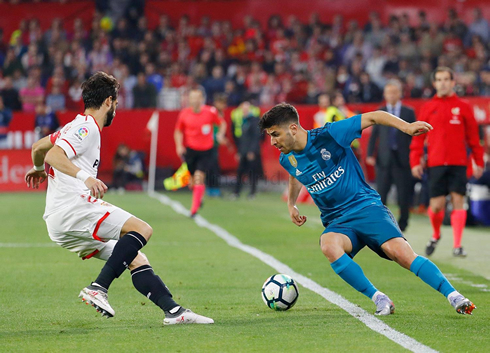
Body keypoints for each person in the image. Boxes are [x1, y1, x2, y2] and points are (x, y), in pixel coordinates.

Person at [24, 72, 213, 325]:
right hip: (73, 208)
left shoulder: (72, 126)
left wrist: (37, 169)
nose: (117, 109)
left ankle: (174, 312)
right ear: (108, 102)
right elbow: (52, 156)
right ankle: (98, 287)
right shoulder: (86, 127)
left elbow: (38, 148)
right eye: (116, 103)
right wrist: (85, 177)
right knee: (142, 230)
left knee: (135, 257)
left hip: (58, 224)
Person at [259, 102, 476, 316]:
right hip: (338, 222)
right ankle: (379, 298)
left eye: (275, 134)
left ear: (293, 128)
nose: (272, 141)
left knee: (400, 254)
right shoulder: (286, 158)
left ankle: (454, 296)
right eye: (270, 135)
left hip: (365, 207)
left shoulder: (331, 134)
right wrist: (291, 203)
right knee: (328, 244)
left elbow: (373, 116)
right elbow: (296, 174)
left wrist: (406, 127)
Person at [410, 67, 484, 257]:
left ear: (452, 82)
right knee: (435, 206)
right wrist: (415, 161)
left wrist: (478, 161)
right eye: (439, 80)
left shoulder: (464, 106)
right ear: (434, 84)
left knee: (458, 201)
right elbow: (418, 138)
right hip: (435, 163)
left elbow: (473, 138)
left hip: (458, 163)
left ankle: (457, 246)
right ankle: (436, 234)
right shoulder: (428, 107)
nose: (443, 83)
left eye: (446, 79)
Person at [367, 80, 415, 232]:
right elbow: (374, 135)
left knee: (403, 194)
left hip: (403, 159)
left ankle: (403, 223)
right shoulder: (379, 112)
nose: (392, 95)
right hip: (384, 158)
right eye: (389, 92)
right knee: (381, 193)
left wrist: (415, 155)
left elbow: (414, 137)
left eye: (395, 92)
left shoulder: (409, 112)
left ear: (400, 93)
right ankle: (381, 222)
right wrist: (370, 153)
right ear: (385, 94)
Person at [174, 88, 226, 217]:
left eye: (197, 97)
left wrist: (220, 134)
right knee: (192, 181)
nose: (195, 100)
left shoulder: (210, 112)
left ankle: (193, 210)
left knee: (198, 177)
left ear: (202, 99)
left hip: (206, 151)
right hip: (191, 151)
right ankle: (199, 197)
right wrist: (179, 145)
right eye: (192, 98)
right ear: (189, 99)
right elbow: (178, 131)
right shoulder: (184, 114)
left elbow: (222, 123)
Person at [231, 101, 262, 199]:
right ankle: (237, 192)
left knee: (252, 172)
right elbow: (241, 139)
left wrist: (252, 151)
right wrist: (239, 152)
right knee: (240, 171)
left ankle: (252, 192)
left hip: (251, 152)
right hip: (243, 151)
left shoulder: (254, 120)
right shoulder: (242, 120)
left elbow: (256, 137)